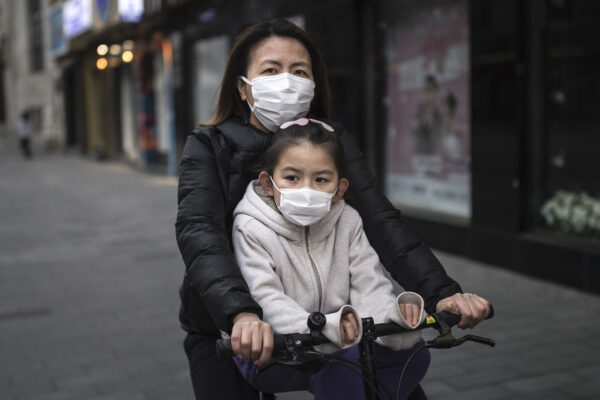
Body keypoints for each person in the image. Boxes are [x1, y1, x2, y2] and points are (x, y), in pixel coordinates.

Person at [175, 18, 490, 400]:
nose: (286, 80)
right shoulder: (209, 145)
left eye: (299, 71)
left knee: (397, 386)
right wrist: (240, 313)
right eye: (271, 70)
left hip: (337, 325)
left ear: (313, 85)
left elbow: (381, 221)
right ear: (243, 88)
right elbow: (200, 231)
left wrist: (441, 293)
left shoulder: (332, 141)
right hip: (229, 323)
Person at [232, 118, 431, 399]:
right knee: (341, 362)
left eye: (321, 179)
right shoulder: (250, 226)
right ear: (267, 182)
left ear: (339, 189)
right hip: (270, 351)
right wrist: (325, 328)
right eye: (292, 178)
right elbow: (266, 299)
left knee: (415, 353)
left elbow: (369, 284)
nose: (306, 189)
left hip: (343, 339)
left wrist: (394, 317)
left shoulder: (347, 221)